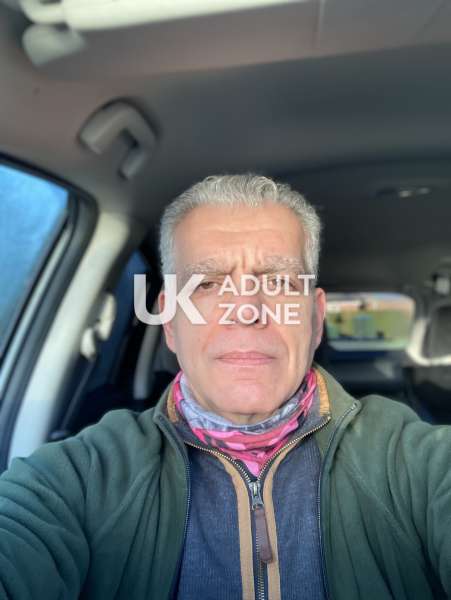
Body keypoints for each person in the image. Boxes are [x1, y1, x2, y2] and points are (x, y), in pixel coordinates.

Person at [0, 174, 450, 599]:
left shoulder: (411, 462)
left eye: (278, 282)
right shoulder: (84, 478)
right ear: (169, 322)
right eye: (208, 284)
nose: (247, 311)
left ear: (315, 320)